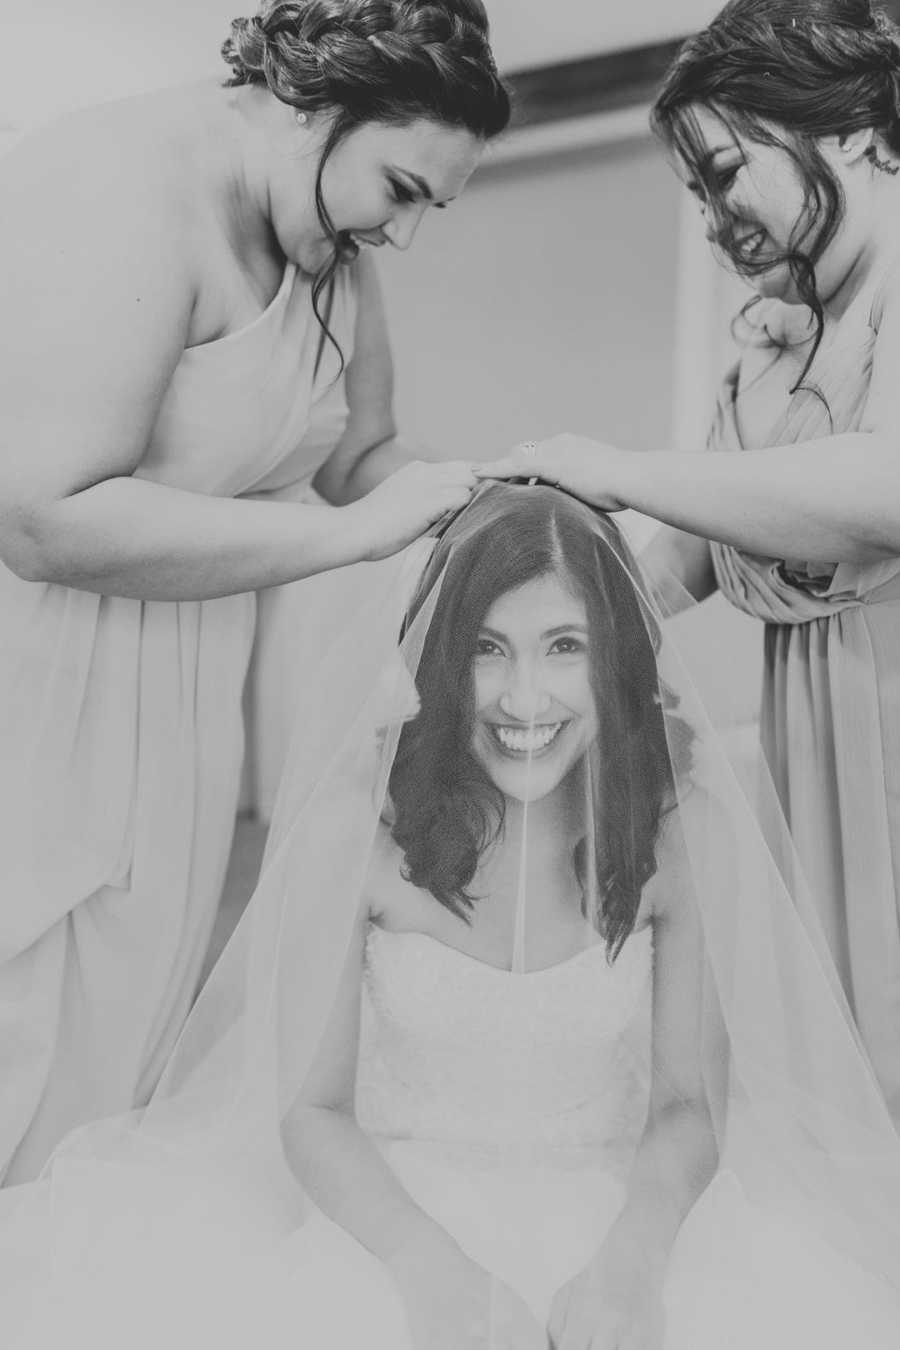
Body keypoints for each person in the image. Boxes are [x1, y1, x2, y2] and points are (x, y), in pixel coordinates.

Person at [5, 482, 900, 1350]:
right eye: (486, 648)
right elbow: (313, 1112)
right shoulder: (359, 827)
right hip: (384, 1212)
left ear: (616, 658)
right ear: (439, 657)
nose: (524, 698)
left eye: (563, 646)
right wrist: (429, 1272)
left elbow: (685, 1107)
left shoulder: (677, 824)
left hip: (622, 1208)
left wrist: (632, 1264)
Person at [0, 0, 508, 1185]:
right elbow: (40, 517)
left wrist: (496, 515)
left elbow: (359, 461)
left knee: (112, 1056)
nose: (407, 232)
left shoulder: (333, 241)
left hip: (185, 693)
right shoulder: (123, 182)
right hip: (37, 676)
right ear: (318, 103)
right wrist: (354, 540)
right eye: (402, 188)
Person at [483, 0, 900, 1121]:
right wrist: (549, 637)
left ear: (857, 128)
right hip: (825, 722)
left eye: (724, 173)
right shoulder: (787, 331)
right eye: (697, 193)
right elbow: (703, 548)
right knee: (846, 1063)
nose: (716, 220)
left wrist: (626, 467)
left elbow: (885, 489)